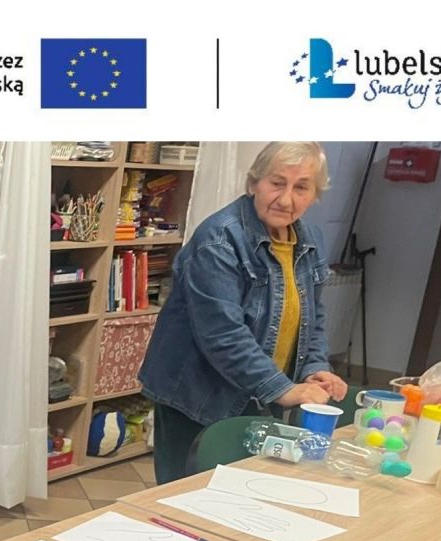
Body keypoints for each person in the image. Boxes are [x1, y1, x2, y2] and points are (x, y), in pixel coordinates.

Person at [138, 141, 349, 483]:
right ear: (254, 183)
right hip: (198, 396)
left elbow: (313, 316)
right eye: (277, 183)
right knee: (184, 497)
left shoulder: (310, 239)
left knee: (241, 493)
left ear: (315, 195)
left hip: (259, 391)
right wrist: (283, 390)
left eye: (301, 187)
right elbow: (222, 334)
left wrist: (315, 368)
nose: (286, 199)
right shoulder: (219, 240)